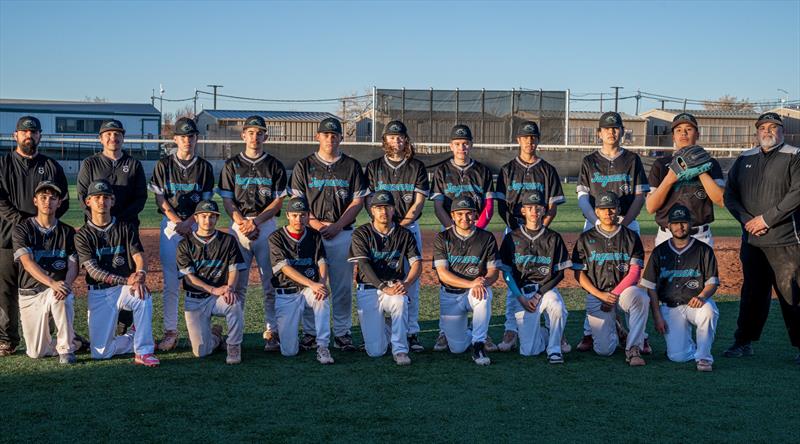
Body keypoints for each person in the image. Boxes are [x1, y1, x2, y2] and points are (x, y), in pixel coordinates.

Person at [723, 112, 800, 364]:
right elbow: (730, 195)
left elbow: (797, 193)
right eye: (763, 127)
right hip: (752, 241)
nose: (767, 131)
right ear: (757, 132)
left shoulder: (794, 155)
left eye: (773, 127)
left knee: (792, 295)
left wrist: (766, 220)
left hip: (786, 241)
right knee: (752, 295)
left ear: (782, 131)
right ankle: (743, 342)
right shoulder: (744, 158)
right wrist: (748, 220)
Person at [290, 117, 369, 351]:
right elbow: (297, 202)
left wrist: (337, 225)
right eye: (326, 134)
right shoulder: (304, 165)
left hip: (342, 232)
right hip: (311, 233)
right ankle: (311, 331)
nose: (330, 138)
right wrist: (315, 223)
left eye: (334, 135)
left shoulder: (351, 165)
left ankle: (342, 332)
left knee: (342, 287)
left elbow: (357, 201)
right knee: (312, 283)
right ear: (317, 136)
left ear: (341, 138)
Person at [574, 112, 650, 353]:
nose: (611, 132)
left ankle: (639, 335)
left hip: (626, 222)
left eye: (615, 128)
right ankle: (590, 332)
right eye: (606, 128)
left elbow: (639, 196)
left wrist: (623, 225)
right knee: (594, 275)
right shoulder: (589, 160)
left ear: (622, 131)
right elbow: (583, 196)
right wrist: (597, 222)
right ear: (599, 133)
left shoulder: (632, 159)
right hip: (595, 223)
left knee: (629, 278)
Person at [494, 120, 568, 353]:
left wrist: (539, 228)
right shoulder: (507, 169)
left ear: (538, 140)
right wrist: (518, 231)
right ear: (518, 140)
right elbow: (502, 206)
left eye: (533, 137)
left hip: (541, 228)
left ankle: (555, 330)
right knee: (513, 279)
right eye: (525, 137)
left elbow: (552, 207)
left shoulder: (547, 170)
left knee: (543, 274)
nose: (529, 141)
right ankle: (510, 329)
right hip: (515, 230)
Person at [0, 116, 70, 357]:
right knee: (6, 290)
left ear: (40, 135)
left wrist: (43, 224)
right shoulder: (3, 164)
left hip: (43, 241)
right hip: (7, 237)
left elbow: (63, 201)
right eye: (24, 132)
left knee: (45, 286)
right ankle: (7, 339)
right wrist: (25, 223)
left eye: (33, 132)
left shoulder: (51, 166)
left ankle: (48, 335)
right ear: (15, 135)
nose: (29, 136)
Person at [218, 115, 288, 352]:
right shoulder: (232, 164)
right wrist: (242, 222)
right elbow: (227, 201)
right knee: (237, 284)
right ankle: (235, 333)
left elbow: (278, 202)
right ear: (243, 135)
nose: (255, 137)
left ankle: (272, 331)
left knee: (270, 283)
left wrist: (256, 222)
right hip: (239, 226)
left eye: (259, 133)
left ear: (265, 136)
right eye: (250, 132)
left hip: (265, 225)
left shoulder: (274, 165)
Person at [74, 179, 158, 366]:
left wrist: (140, 275)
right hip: (99, 292)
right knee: (100, 353)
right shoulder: (82, 235)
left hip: (123, 290)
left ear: (112, 201)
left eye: (106, 197)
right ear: (88, 201)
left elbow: (139, 255)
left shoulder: (125, 227)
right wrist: (127, 280)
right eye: (97, 197)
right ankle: (133, 337)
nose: (101, 201)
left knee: (142, 296)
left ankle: (144, 351)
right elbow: (93, 271)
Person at [76, 119, 148, 335]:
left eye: (117, 134)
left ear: (123, 138)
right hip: (97, 229)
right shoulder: (90, 163)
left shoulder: (133, 164)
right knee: (98, 270)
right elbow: (82, 196)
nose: (113, 138)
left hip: (125, 228)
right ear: (101, 139)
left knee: (127, 269)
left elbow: (140, 198)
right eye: (108, 134)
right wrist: (102, 221)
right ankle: (101, 314)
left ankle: (126, 323)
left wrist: (118, 222)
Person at [149, 117, 215, 351]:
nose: (187, 140)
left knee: (201, 277)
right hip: (172, 225)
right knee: (170, 282)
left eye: (191, 136)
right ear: (175, 139)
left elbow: (206, 202)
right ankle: (171, 331)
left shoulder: (204, 167)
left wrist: (190, 222)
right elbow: (160, 198)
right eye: (183, 136)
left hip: (198, 224)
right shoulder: (164, 164)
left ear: (197, 138)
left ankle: (205, 327)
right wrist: (179, 222)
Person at [430, 124, 497, 352]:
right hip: (452, 228)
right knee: (449, 276)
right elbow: (438, 205)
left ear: (471, 145)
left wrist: (475, 229)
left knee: (479, 276)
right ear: (451, 146)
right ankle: (444, 331)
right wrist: (453, 229)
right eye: (457, 144)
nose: (462, 147)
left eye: (465, 143)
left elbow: (489, 205)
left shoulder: (482, 171)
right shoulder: (442, 171)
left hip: (476, 229)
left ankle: (482, 334)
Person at [365, 120, 429, 352]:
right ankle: (384, 328)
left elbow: (419, 202)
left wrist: (401, 226)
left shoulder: (416, 166)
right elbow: (369, 200)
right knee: (382, 274)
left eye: (400, 136)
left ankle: (411, 332)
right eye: (392, 137)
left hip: (408, 229)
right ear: (385, 140)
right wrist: (382, 224)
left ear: (406, 140)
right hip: (380, 230)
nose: (396, 140)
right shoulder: (374, 166)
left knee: (411, 281)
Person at [571, 191, 649, 366]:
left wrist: (613, 295)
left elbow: (635, 273)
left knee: (641, 298)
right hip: (597, 294)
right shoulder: (585, 238)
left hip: (623, 292)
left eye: (612, 208)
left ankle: (633, 348)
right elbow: (579, 274)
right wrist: (600, 295)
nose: (608, 213)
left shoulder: (631, 237)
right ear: (596, 211)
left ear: (618, 210)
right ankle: (617, 327)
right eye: (603, 209)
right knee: (604, 351)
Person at [641, 204, 719, 371]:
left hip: (696, 303)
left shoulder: (704, 250)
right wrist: (657, 316)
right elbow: (651, 287)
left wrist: (702, 296)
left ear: (690, 224)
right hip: (670, 307)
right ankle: (689, 346)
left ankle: (704, 358)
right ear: (669, 226)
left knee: (709, 311)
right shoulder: (659, 251)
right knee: (678, 357)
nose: (680, 227)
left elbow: (712, 283)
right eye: (675, 223)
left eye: (683, 222)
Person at [349, 191, 422, 366]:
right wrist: (383, 287)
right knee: (376, 351)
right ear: (372, 210)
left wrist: (406, 284)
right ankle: (387, 325)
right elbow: (364, 266)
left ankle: (400, 349)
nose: (383, 212)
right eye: (379, 208)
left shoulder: (404, 233)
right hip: (369, 288)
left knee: (400, 300)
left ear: (393, 209)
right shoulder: (361, 233)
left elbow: (417, 264)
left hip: (393, 287)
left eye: (387, 207)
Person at [498, 191, 570, 363]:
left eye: (538, 208)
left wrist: (539, 294)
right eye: (529, 207)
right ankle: (547, 333)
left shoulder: (553, 237)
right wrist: (520, 297)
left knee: (557, 306)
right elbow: (506, 273)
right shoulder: (511, 238)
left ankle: (554, 349)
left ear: (544, 210)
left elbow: (559, 274)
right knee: (529, 351)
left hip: (545, 290)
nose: (534, 212)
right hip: (523, 294)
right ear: (523, 210)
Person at [12, 181, 77, 363]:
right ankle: (76, 341)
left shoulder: (68, 232)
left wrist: (65, 285)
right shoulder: (22, 229)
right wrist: (52, 283)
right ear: (35, 201)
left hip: (54, 291)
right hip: (30, 293)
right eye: (43, 197)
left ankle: (66, 349)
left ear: (59, 203)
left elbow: (73, 265)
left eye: (53, 198)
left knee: (62, 296)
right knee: (36, 352)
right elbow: (27, 263)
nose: (48, 201)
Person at [176, 200, 245, 365]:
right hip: (195, 299)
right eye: (204, 216)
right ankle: (215, 337)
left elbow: (234, 269)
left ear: (217, 218)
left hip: (218, 298)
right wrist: (213, 289)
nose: (208, 220)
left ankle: (233, 345)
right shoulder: (184, 244)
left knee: (234, 302)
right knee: (201, 352)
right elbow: (190, 278)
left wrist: (230, 288)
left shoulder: (228, 240)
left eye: (212, 216)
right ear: (196, 218)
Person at [432, 197, 500, 366]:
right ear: (452, 215)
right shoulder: (442, 237)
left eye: (469, 213)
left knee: (483, 295)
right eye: (460, 214)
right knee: (457, 348)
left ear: (476, 214)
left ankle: (479, 345)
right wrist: (471, 283)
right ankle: (471, 332)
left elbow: (493, 272)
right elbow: (443, 274)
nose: (465, 218)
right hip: (450, 295)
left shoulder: (486, 237)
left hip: (473, 292)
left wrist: (483, 282)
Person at [269, 197, 333, 364]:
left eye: (303, 215)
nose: (299, 219)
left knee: (321, 298)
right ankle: (288, 336)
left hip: (309, 290)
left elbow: (321, 261)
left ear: (307, 216)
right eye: (295, 215)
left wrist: (322, 283)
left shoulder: (314, 235)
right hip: (287, 292)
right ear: (287, 215)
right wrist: (313, 284)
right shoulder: (276, 237)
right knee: (289, 352)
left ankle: (322, 346)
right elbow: (285, 268)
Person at [646, 112, 725, 246]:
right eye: (678, 130)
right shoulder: (661, 164)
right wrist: (670, 178)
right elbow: (650, 207)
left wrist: (700, 170)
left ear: (697, 134)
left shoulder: (711, 163)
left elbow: (721, 200)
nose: (683, 133)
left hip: (700, 236)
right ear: (673, 136)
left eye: (689, 129)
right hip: (667, 236)